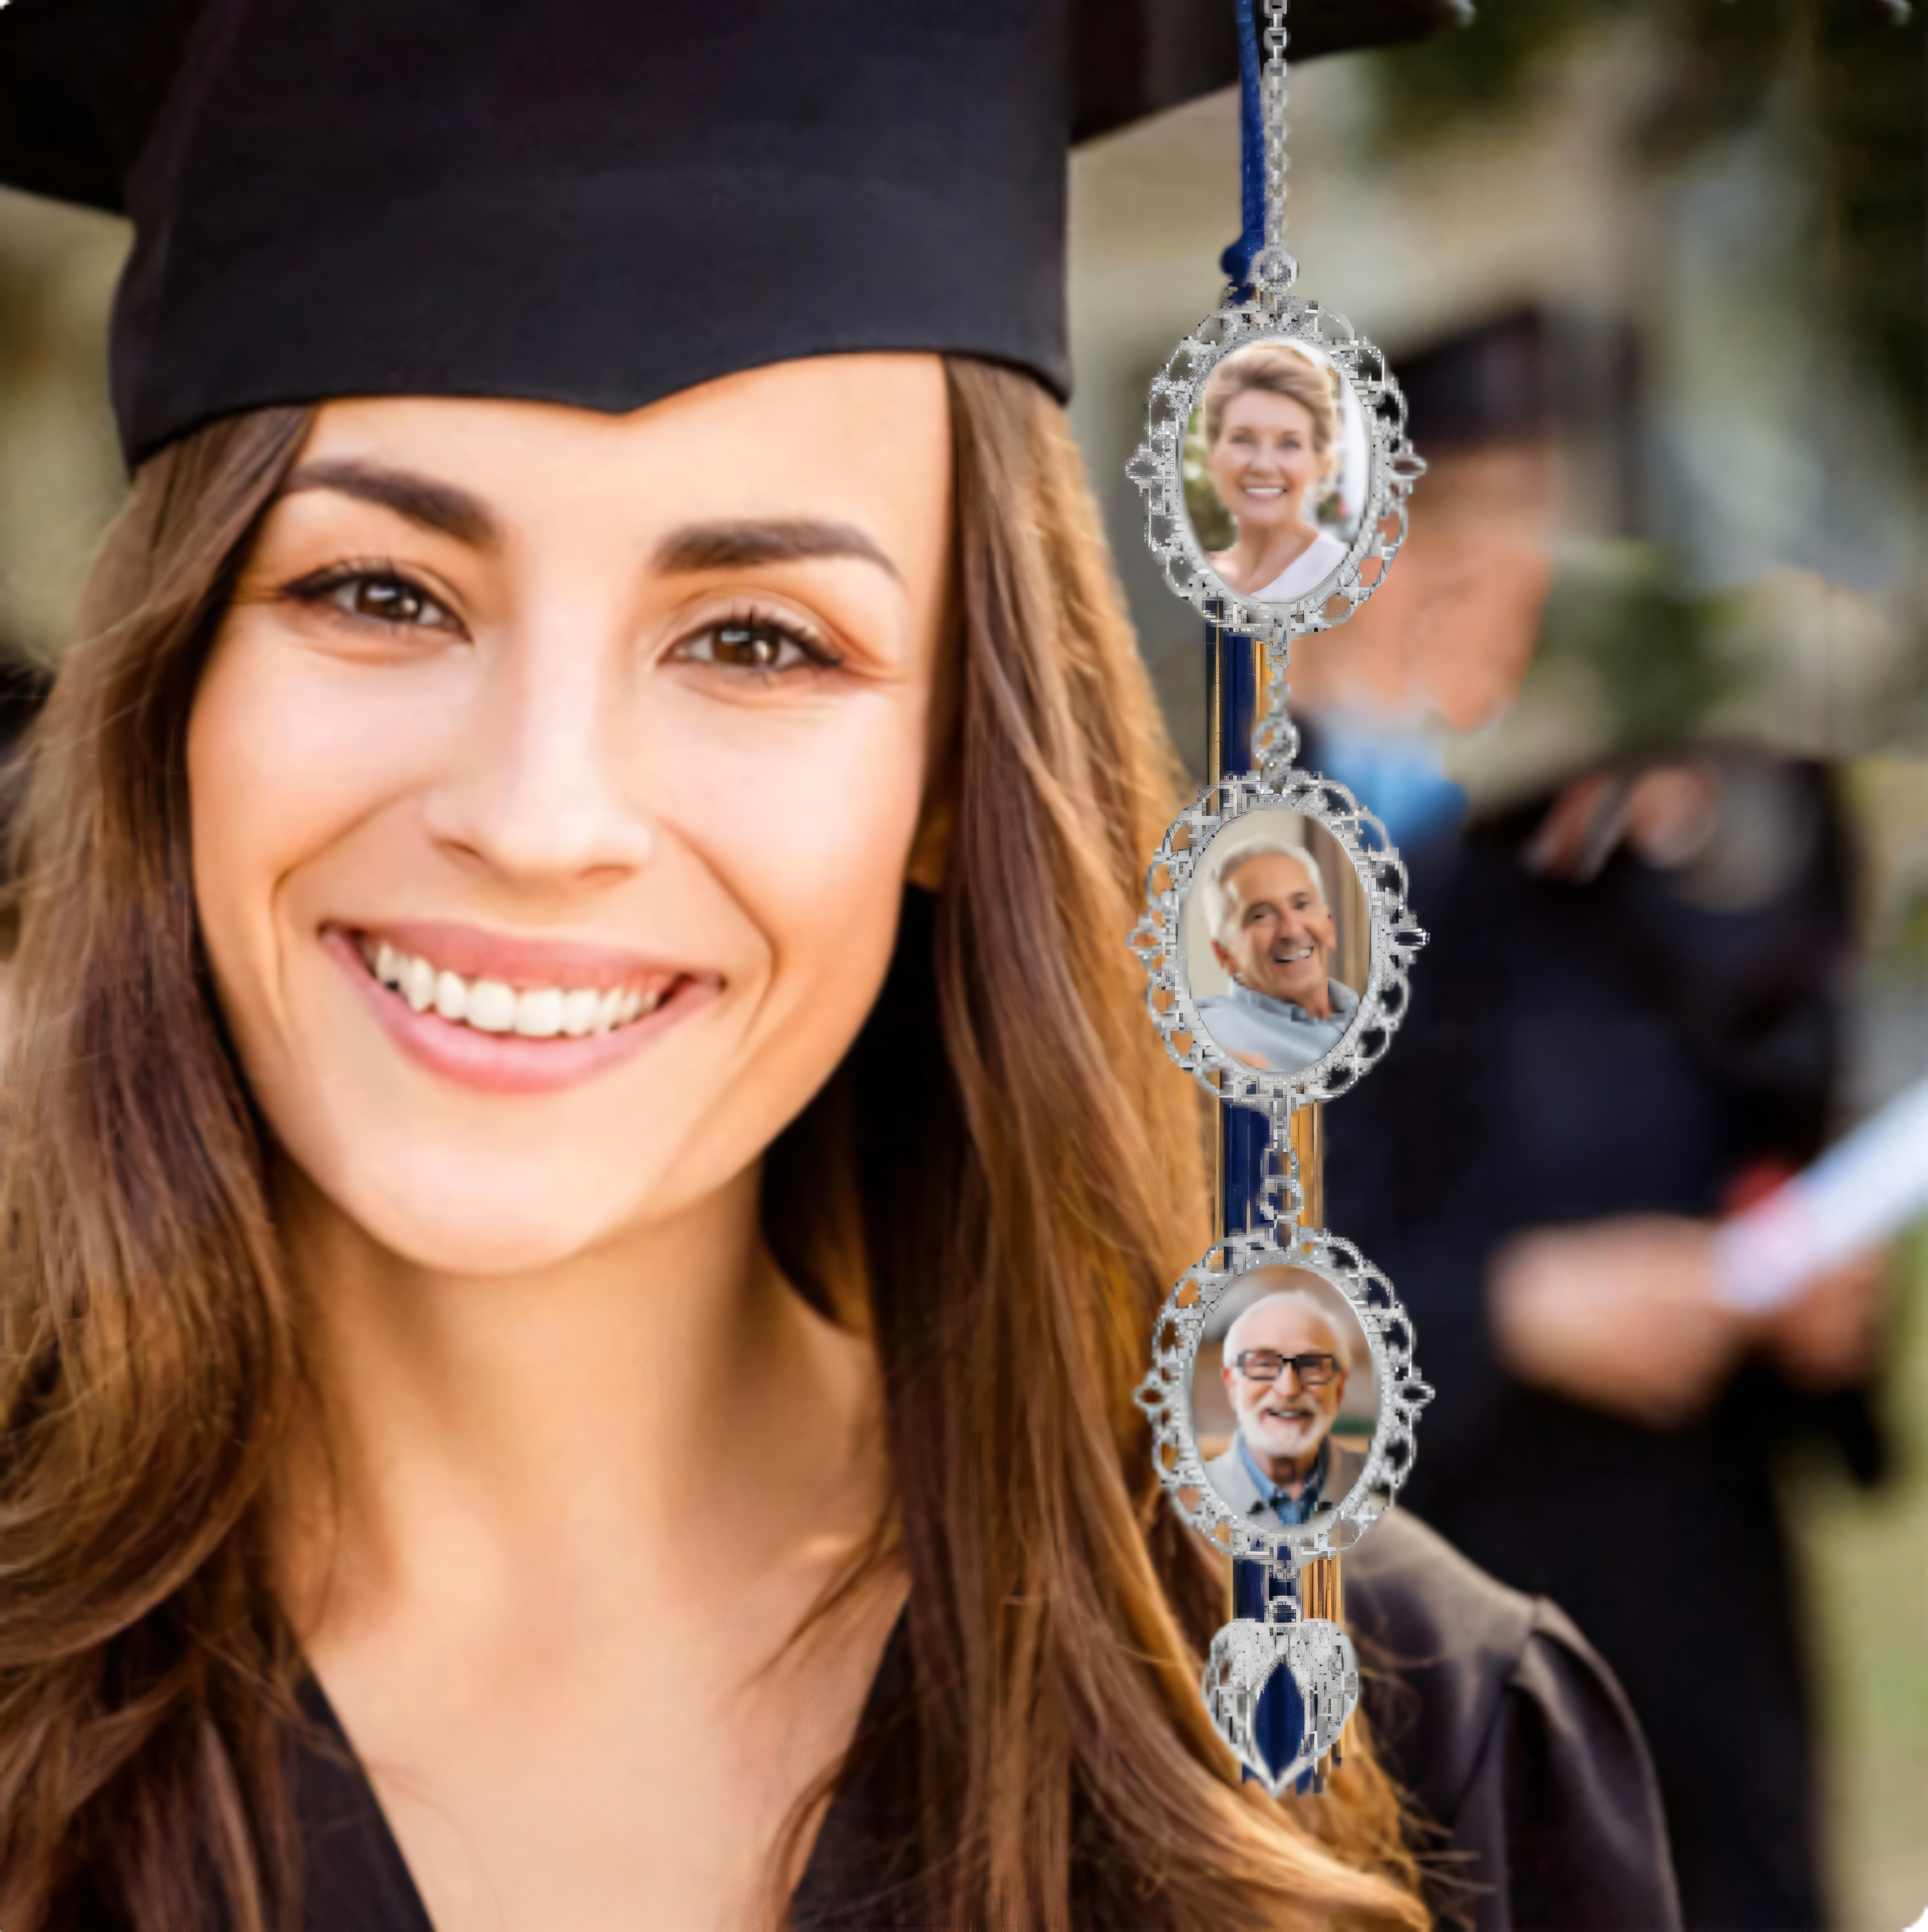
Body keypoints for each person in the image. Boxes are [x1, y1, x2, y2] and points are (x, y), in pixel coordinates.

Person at [0, 9, 1682, 1931]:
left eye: (759, 642)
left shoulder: (1377, 1744)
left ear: (956, 774)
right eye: (375, 593)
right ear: (168, 699)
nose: (543, 817)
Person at [1301, 311, 1887, 1932]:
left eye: (1548, 525)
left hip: (1702, 1630)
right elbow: (1171, 1278)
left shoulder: (1621, 834)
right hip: (1417, 1644)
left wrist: (1817, 1296)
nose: (1514, 575)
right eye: (1464, 520)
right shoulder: (1225, 867)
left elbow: (1770, 1114)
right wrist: (1505, 1310)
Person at [1205, 1282, 1367, 1529]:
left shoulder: (1381, 1490)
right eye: (1263, 1365)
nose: (1288, 1389)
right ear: (1232, 1383)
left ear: (1339, 1386)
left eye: (1312, 1365)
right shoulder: (1190, 1503)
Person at [1200, 342, 1352, 602]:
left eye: (1289, 443)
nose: (1264, 465)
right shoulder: (1194, 580)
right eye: (1243, 439)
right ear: (1212, 453)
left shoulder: (1345, 579)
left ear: (1320, 461)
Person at [1195, 838, 1359, 1071]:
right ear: (1224, 954)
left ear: (1329, 925)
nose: (1292, 931)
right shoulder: (1205, 1034)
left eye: (1301, 905)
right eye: (1261, 915)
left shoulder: (1381, 1018)